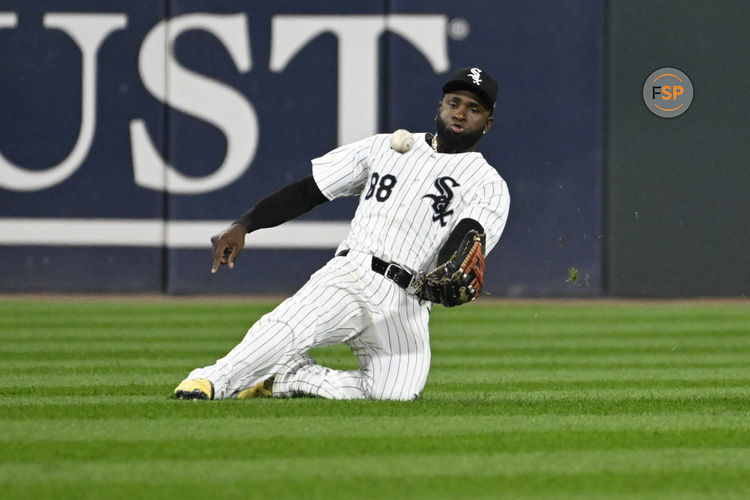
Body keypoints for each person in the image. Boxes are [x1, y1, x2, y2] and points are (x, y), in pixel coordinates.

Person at [174, 67, 510, 401]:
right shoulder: (383, 148)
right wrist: (244, 225)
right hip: (354, 274)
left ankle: (290, 378)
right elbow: (309, 191)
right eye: (455, 102)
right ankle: (209, 380)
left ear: (487, 124)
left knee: (393, 395)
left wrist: (452, 266)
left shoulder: (488, 184)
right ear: (440, 106)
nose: (461, 113)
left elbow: (469, 235)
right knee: (292, 324)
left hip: (408, 302)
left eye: (474, 109)